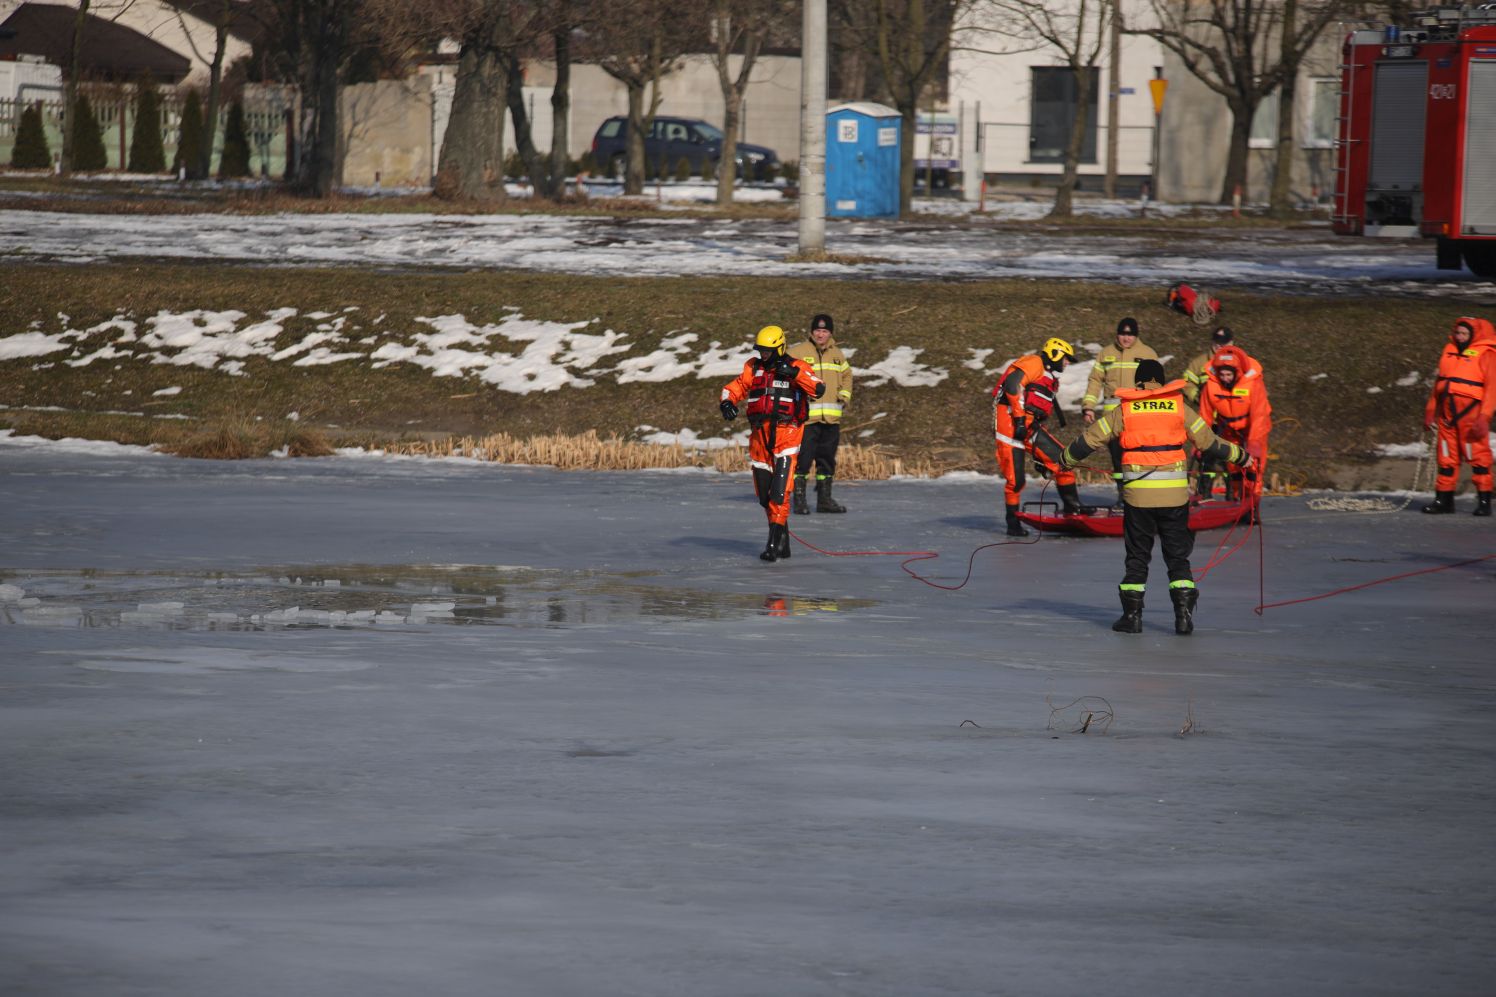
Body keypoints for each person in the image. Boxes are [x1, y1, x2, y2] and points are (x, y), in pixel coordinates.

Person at [1038, 358, 1253, 635]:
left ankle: (1132, 617)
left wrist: (1064, 459)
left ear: (1137, 382)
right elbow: (1209, 442)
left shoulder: (1125, 410)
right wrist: (1242, 456)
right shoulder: (1178, 407)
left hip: (1139, 499)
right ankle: (1184, 615)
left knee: (1137, 557)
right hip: (1174, 498)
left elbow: (1092, 438)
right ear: (1161, 381)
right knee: (1177, 557)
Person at [720, 325, 826, 560]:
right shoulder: (753, 366)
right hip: (759, 436)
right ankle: (783, 542)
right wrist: (727, 401)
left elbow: (818, 388)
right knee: (765, 497)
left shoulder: (798, 366)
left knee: (780, 494)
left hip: (787, 433)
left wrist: (794, 373)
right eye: (761, 350)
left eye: (768, 350)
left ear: (779, 347)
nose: (764, 354)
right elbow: (735, 387)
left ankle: (772, 545)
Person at [992, 337, 1088, 536]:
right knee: (1016, 481)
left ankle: (1073, 509)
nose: (1067, 363)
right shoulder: (1034, 363)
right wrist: (1018, 420)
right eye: (1066, 358)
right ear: (1055, 354)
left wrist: (1039, 457)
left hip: (1028, 428)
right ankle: (1013, 523)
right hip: (1010, 426)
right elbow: (1012, 385)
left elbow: (1036, 408)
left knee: (1063, 461)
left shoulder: (1050, 377)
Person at [1423, 316, 1496, 516]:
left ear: (1474, 335)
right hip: (1447, 414)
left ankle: (1484, 501)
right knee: (1446, 457)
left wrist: (1484, 417)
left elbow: (1492, 390)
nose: (1460, 337)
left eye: (1464, 334)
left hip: (1471, 414)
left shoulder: (1487, 354)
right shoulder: (1449, 350)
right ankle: (1444, 500)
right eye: (1458, 333)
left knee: (1478, 457)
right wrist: (1431, 411)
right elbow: (1439, 384)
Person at [1083, 317, 1160, 498]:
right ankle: (1122, 495)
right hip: (1112, 421)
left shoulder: (1148, 353)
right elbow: (1095, 381)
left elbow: (1156, 385)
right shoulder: (1106, 353)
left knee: (1138, 458)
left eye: (1130, 334)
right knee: (1118, 461)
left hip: (1138, 419)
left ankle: (1141, 496)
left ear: (1136, 335)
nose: (1126, 338)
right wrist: (1088, 407)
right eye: (1123, 334)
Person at [788, 313, 853, 515]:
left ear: (830, 333)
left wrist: (844, 395)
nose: (820, 334)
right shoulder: (798, 352)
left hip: (831, 420)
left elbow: (847, 375)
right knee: (803, 461)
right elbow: (785, 373)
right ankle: (799, 500)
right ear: (811, 331)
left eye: (824, 331)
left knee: (826, 461)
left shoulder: (838, 355)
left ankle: (824, 500)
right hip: (807, 420)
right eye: (817, 330)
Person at [1195, 346, 1271, 502]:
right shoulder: (1211, 385)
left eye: (1229, 374)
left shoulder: (1253, 384)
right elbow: (1205, 416)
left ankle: (1252, 505)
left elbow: (1260, 415)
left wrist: (1254, 442)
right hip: (1228, 430)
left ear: (1237, 373)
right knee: (1233, 466)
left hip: (1253, 429)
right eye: (1222, 374)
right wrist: (1199, 442)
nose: (1225, 378)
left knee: (1254, 468)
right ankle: (1236, 500)